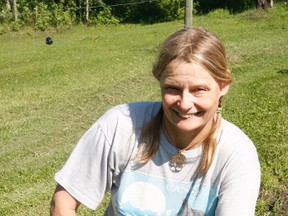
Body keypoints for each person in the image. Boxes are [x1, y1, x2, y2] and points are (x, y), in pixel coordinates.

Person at [50, 28, 261, 216]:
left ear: (223, 84)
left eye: (199, 89)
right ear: (157, 78)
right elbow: (62, 203)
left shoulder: (237, 154)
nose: (185, 103)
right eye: (173, 88)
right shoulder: (121, 125)